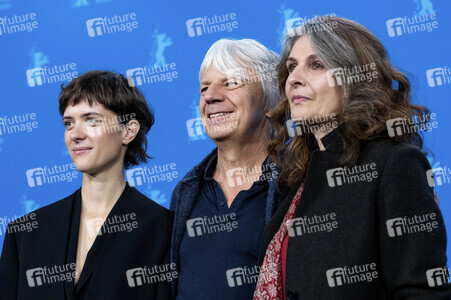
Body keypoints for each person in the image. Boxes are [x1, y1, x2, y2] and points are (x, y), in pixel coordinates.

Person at [254, 16, 451, 299]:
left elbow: (422, 291)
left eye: (317, 65)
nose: (295, 79)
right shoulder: (295, 177)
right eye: (291, 68)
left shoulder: (396, 165)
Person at [0, 71, 174, 299]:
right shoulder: (25, 234)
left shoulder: (163, 231)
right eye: (69, 123)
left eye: (92, 120)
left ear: (128, 131)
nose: (76, 134)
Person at [170, 38, 282, 299]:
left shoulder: (299, 182)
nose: (210, 96)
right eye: (204, 88)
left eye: (230, 83)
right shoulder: (186, 191)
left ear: (271, 103)